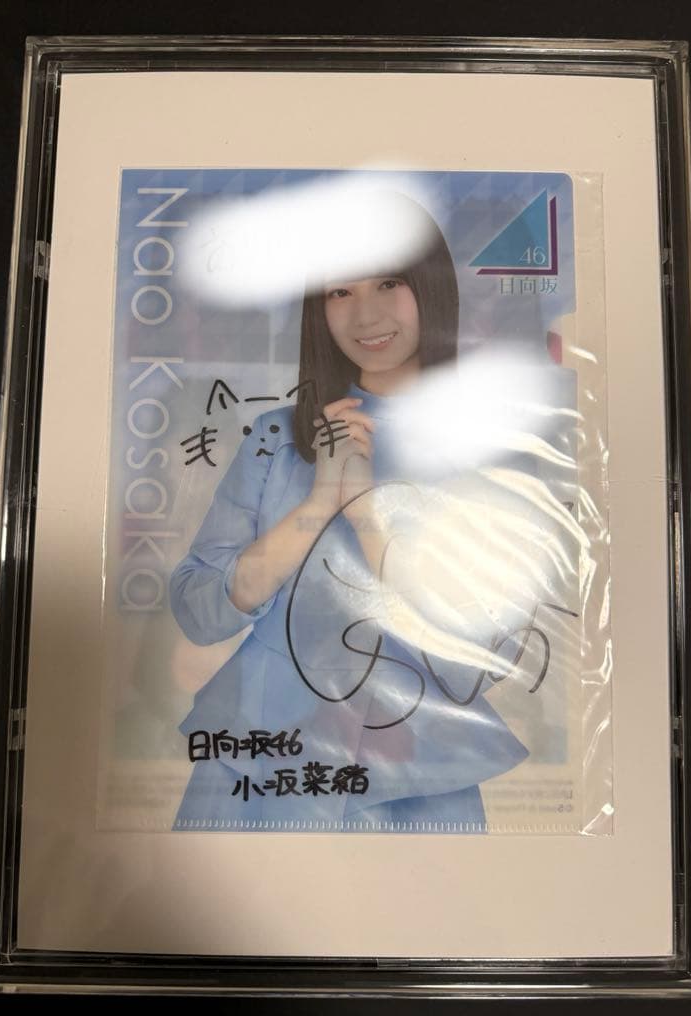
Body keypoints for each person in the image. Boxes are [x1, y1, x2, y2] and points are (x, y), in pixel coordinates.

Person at [170, 191, 528, 831]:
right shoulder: (278, 437)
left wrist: (365, 513)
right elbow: (199, 609)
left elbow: (480, 653)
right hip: (258, 769)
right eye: (341, 291)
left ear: (430, 286)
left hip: (414, 785)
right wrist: (317, 506)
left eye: (390, 282)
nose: (366, 314)